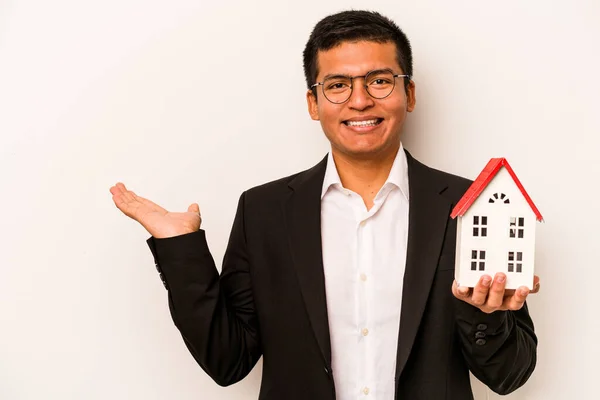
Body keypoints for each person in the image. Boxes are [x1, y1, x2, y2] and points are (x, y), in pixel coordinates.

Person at [110, 10, 540, 400]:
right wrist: (180, 249)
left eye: (379, 80)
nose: (359, 101)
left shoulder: (474, 207)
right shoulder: (264, 211)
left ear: (409, 94)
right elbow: (228, 362)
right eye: (337, 85)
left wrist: (488, 315)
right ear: (313, 104)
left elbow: (510, 375)